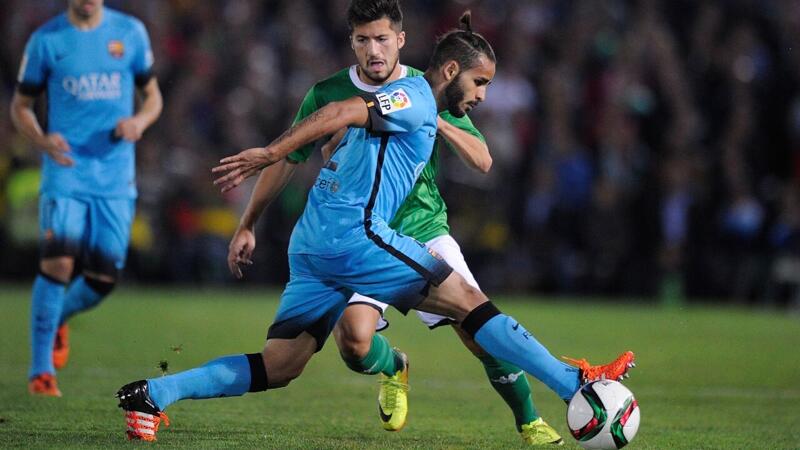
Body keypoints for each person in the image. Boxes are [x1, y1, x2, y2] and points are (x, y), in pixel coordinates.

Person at [117, 11, 634, 442]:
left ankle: (153, 396)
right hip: (355, 235)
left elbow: (469, 155)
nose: (481, 95)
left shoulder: (422, 104)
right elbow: (344, 109)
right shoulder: (415, 96)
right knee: (470, 306)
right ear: (451, 70)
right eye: (478, 83)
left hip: (313, 242)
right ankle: (574, 384)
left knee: (281, 365)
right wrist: (272, 152)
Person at [224, 0, 559, 444]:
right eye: (364, 40)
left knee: (475, 328)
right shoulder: (327, 94)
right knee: (354, 343)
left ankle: (530, 419)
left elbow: (482, 159)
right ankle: (395, 367)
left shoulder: (428, 88)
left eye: (382, 39)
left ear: (399, 39)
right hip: (363, 235)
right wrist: (248, 221)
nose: (374, 50)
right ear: (352, 43)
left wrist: (430, 119)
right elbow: (288, 157)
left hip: (422, 227)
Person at [10, 0, 162, 397]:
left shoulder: (129, 33)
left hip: (114, 177)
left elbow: (153, 97)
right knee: (58, 261)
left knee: (102, 278)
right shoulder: (47, 41)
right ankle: (41, 371)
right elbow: (20, 106)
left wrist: (139, 122)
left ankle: (56, 318)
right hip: (66, 170)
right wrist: (41, 139)